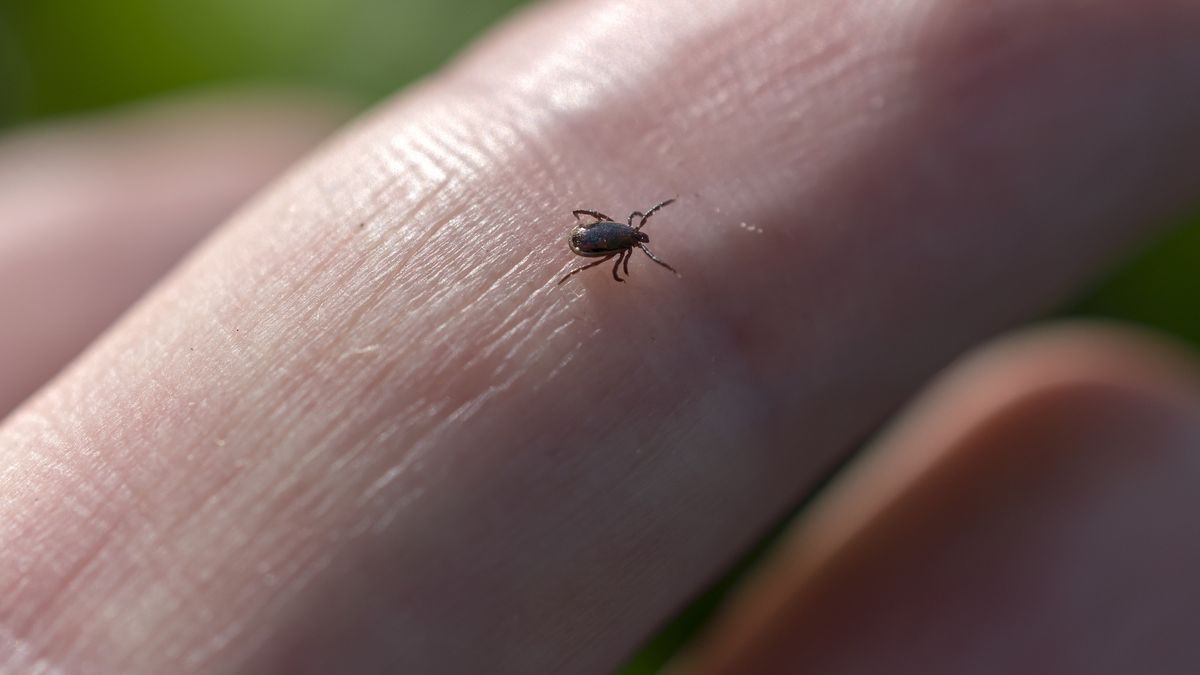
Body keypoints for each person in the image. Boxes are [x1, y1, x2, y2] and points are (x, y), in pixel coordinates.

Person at [1, 0, 1198, 673]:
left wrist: (624, 246)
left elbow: (606, 244)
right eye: (626, 237)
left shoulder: (609, 241)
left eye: (625, 239)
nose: (623, 242)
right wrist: (630, 249)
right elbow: (612, 247)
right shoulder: (615, 244)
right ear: (619, 235)